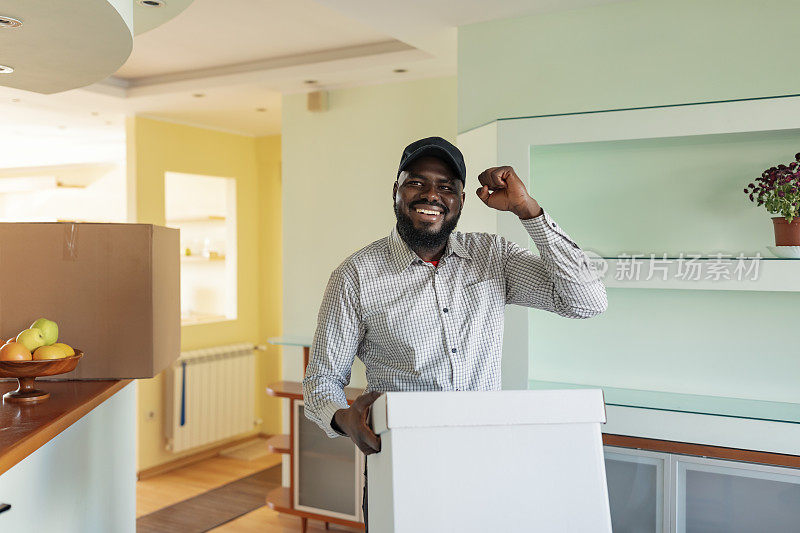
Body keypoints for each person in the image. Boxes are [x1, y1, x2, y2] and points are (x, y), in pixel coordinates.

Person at [301, 136, 608, 529]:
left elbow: (586, 301)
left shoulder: (494, 257)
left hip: (488, 456)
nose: (431, 194)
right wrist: (344, 418)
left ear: (461, 200)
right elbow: (321, 380)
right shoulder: (356, 276)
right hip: (402, 460)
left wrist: (527, 211)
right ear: (396, 193)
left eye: (447, 187)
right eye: (417, 182)